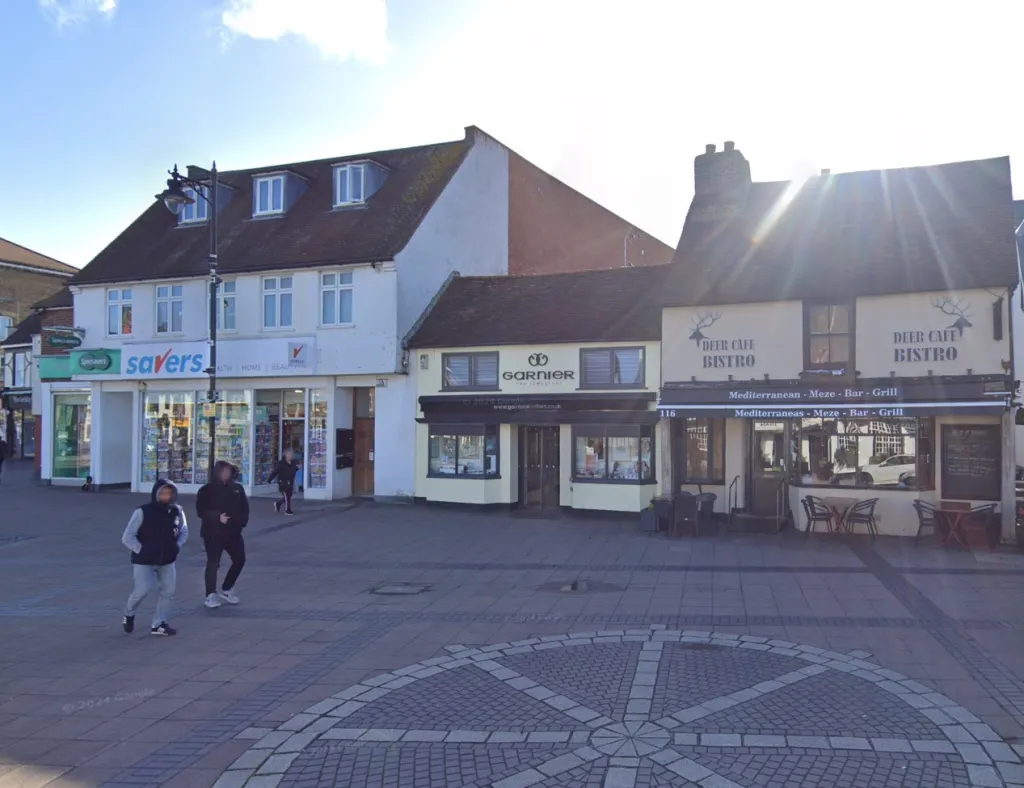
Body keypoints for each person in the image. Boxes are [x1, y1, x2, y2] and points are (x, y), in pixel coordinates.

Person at [121, 479, 187, 636]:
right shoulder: (142, 512)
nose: (166, 496)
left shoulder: (177, 511)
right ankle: (129, 614)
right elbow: (127, 536)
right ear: (156, 494)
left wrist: (176, 546)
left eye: (169, 493)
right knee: (141, 591)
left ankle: (159, 623)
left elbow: (183, 531)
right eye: (163, 493)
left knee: (168, 591)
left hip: (167, 559)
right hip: (144, 561)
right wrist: (141, 550)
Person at [197, 460, 249, 609]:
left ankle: (227, 588)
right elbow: (201, 511)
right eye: (224, 471)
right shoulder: (206, 490)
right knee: (213, 563)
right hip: (213, 533)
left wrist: (241, 523)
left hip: (233, 532)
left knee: (240, 560)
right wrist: (216, 517)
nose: (226, 473)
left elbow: (244, 507)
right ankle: (210, 595)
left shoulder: (237, 489)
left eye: (229, 471)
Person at [267, 449, 298, 516]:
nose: (290, 456)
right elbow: (275, 472)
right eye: (289, 454)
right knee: (287, 495)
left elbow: (295, 470)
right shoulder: (281, 463)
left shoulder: (293, 463)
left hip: (290, 481)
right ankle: (288, 510)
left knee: (289, 496)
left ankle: (278, 503)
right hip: (283, 482)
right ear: (285, 455)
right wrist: (269, 480)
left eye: (291, 455)